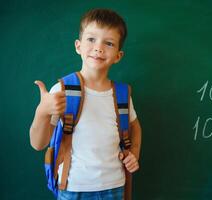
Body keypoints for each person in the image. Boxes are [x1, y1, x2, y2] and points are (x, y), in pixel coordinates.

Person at [29, 8, 142, 200]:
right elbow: (38, 144)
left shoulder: (122, 94)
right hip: (74, 187)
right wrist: (42, 111)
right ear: (78, 46)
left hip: (115, 186)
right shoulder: (63, 90)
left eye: (109, 43)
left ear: (118, 56)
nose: (99, 47)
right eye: (91, 39)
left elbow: (135, 127)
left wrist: (134, 154)